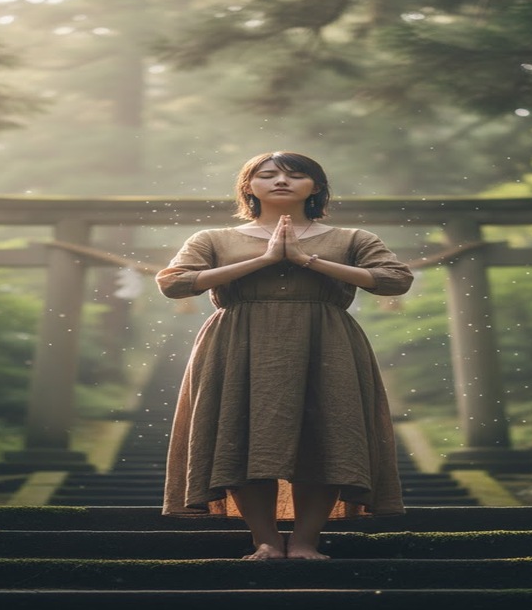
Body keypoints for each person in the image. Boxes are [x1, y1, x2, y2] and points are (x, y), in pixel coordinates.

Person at [156, 151, 413, 560]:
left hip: (326, 343)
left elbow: (395, 280)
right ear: (248, 186)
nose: (281, 181)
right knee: (243, 440)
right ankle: (266, 540)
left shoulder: (352, 238)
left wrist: (306, 260)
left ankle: (306, 541)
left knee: (326, 439)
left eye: (295, 175)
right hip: (239, 343)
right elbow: (174, 284)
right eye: (268, 174)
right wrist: (265, 260)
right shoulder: (213, 239)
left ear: (316, 186)